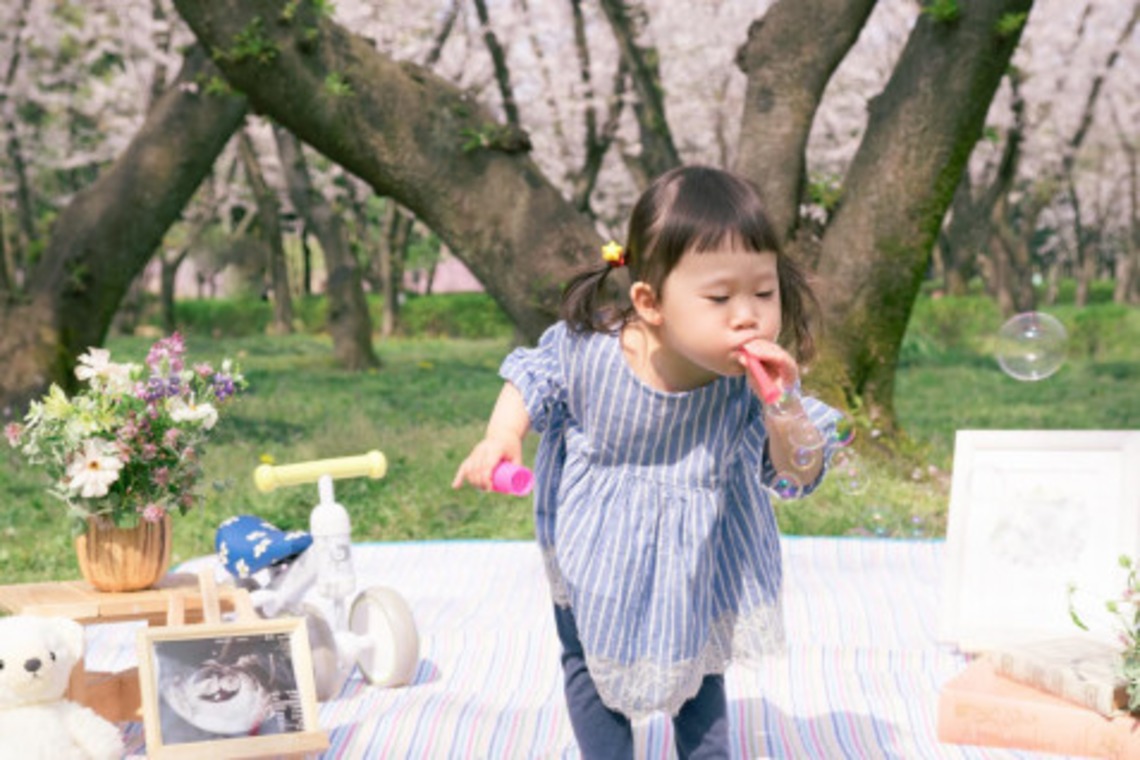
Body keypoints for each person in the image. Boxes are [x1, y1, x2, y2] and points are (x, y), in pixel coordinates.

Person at [452, 165, 842, 758]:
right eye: (719, 298)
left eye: (764, 293)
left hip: (699, 552)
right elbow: (533, 376)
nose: (748, 316)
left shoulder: (750, 392)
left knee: (701, 665)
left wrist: (783, 408)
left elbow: (797, 470)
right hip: (595, 548)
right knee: (588, 663)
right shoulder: (593, 354)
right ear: (650, 302)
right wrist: (502, 436)